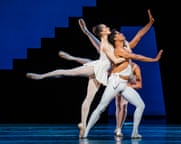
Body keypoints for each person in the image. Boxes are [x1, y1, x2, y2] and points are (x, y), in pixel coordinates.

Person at [26, 9, 155, 138]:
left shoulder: (115, 44)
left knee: (89, 99)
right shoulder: (107, 44)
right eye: (106, 28)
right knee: (69, 72)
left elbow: (138, 36)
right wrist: (86, 31)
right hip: (98, 68)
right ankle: (42, 76)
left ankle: (83, 125)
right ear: (104, 33)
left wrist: (149, 24)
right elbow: (99, 45)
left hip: (103, 74)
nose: (108, 28)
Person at [81, 29, 163, 139]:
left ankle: (134, 133)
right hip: (115, 82)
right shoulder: (118, 50)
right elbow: (137, 57)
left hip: (124, 84)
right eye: (119, 34)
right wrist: (153, 60)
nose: (122, 34)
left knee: (140, 105)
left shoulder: (125, 47)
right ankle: (86, 132)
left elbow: (138, 36)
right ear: (115, 38)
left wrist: (149, 24)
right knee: (101, 107)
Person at [58, 50, 142, 137]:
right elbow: (93, 63)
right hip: (115, 84)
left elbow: (138, 84)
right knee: (116, 105)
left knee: (123, 105)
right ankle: (113, 129)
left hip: (125, 86)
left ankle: (119, 128)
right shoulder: (117, 63)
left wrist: (126, 84)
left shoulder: (135, 67)